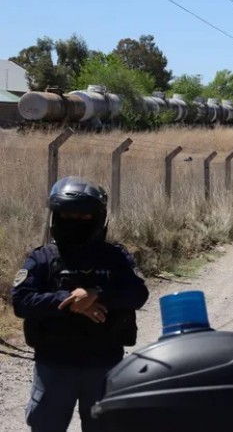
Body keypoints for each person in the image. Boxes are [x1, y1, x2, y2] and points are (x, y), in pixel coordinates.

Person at [11, 176, 149, 432]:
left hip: (104, 365)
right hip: (54, 365)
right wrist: (67, 301)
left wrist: (97, 294)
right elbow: (20, 301)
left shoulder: (116, 257)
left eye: (83, 216)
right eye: (68, 215)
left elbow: (138, 293)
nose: (75, 221)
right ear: (55, 216)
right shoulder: (42, 258)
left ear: (97, 218)